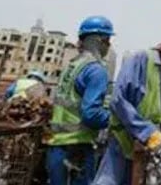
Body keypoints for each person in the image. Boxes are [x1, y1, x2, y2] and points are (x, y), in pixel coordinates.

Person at [93, 22, 161, 185]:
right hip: (121, 142)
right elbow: (119, 100)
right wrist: (147, 132)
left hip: (146, 151)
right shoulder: (140, 60)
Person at [46, 16, 114, 185]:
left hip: (56, 147)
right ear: (99, 41)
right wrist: (116, 119)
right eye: (107, 40)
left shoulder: (72, 66)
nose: (109, 45)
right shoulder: (96, 70)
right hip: (78, 149)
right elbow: (91, 114)